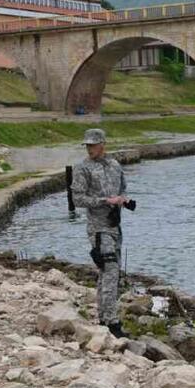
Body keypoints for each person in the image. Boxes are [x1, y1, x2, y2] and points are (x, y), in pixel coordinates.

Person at [71, 128, 131, 338]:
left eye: (93, 145)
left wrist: (123, 200)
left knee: (108, 273)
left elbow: (123, 188)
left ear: (102, 144)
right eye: (87, 145)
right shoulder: (82, 169)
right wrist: (105, 201)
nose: (90, 149)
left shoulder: (115, 165)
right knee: (110, 270)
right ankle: (111, 322)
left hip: (115, 226)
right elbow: (77, 199)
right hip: (98, 228)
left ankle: (104, 317)